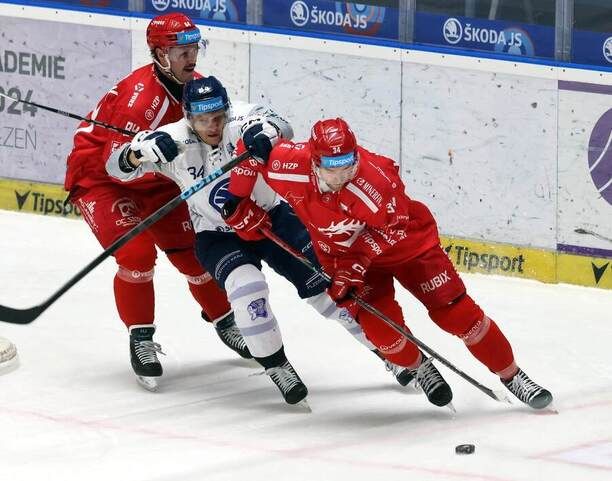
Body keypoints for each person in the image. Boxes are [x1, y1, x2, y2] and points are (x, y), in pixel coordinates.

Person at [106, 76, 421, 405]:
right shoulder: (171, 139)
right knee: (247, 291)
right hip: (217, 236)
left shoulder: (241, 118)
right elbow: (115, 169)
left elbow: (283, 126)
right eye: (202, 119)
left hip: (273, 218)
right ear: (188, 117)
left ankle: (390, 352)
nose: (212, 126)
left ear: (227, 110)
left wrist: (265, 132)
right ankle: (277, 366)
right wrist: (137, 152)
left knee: (329, 289)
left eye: (217, 117)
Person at [226, 117, 554, 410]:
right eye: (331, 168)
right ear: (314, 161)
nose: (341, 177)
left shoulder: (377, 180)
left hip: (407, 246)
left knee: (458, 315)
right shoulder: (289, 166)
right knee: (385, 336)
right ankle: (419, 365)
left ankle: (513, 375)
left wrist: (355, 264)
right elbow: (249, 152)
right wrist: (236, 199)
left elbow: (393, 228)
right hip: (343, 258)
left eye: (348, 166)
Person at [64, 13, 249, 392]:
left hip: (157, 183)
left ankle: (225, 319)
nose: (191, 58)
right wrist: (140, 152)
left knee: (196, 254)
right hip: (103, 181)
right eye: (182, 52)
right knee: (136, 255)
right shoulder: (140, 102)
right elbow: (116, 168)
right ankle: (141, 337)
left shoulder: (197, 88)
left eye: (194, 49)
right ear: (160, 55)